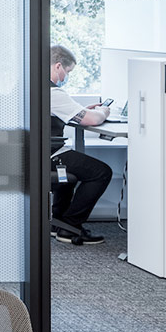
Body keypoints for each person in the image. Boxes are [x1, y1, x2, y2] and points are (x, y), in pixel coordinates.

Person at [47, 44, 113, 244]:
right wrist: (104, 112)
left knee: (72, 172)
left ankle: (58, 222)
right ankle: (71, 226)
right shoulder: (52, 92)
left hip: (37, 152)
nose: (66, 76)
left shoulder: (31, 84)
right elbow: (92, 120)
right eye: (67, 72)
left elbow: (60, 112)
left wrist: (82, 110)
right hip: (49, 153)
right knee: (101, 172)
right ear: (58, 66)